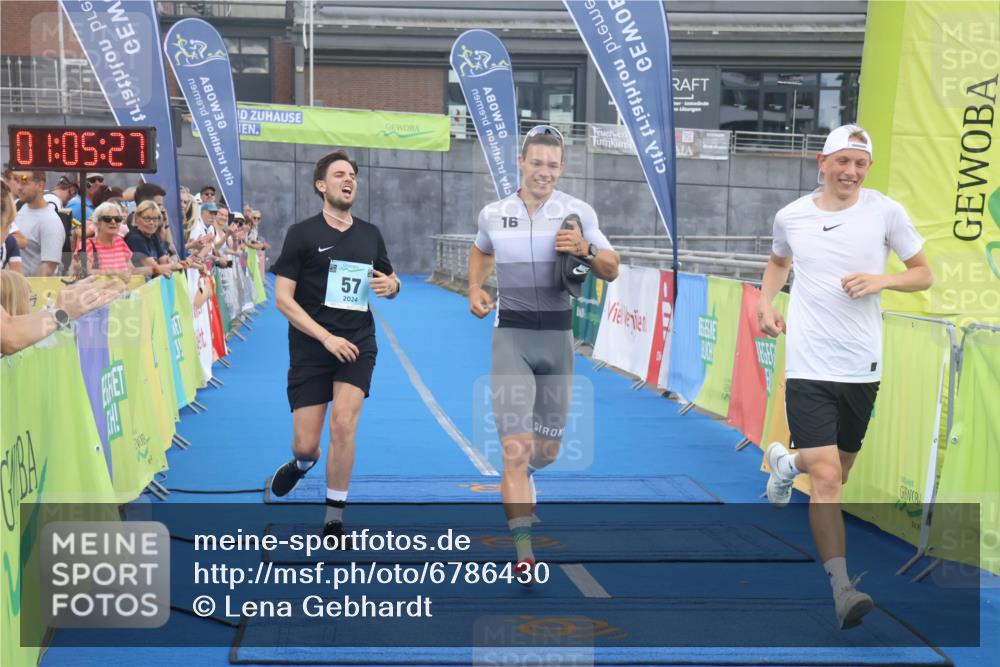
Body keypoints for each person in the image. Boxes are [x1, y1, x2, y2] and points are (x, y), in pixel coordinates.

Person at [757, 124, 933, 629]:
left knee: (839, 473)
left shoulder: (886, 212)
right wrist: (766, 302)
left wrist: (883, 279)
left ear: (868, 168)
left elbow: (923, 272)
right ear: (823, 161)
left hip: (862, 367)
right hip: (809, 363)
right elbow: (777, 260)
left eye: (860, 164)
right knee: (829, 479)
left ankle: (785, 463)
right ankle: (842, 588)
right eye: (843, 162)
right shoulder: (791, 215)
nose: (851, 172)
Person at [467, 125, 619, 579]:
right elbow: (480, 252)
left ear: (561, 168)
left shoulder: (577, 212)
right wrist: (475, 287)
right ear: (521, 162)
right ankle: (524, 554)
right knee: (514, 448)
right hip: (511, 336)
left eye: (552, 165)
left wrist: (586, 249)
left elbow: (612, 268)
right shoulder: (493, 213)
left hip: (557, 339)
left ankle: (528, 475)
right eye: (536, 163)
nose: (544, 172)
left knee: (546, 452)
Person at [269, 149, 401, 543]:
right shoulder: (302, 234)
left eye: (353, 175)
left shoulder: (369, 234)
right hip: (312, 348)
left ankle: (333, 517)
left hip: (358, 343)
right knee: (307, 444)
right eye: (340, 174)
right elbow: (283, 299)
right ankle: (303, 463)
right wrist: (325, 337)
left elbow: (390, 280)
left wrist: (391, 287)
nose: (349, 180)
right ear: (321, 185)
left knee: (343, 423)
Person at [11, 171, 65, 276]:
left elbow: (48, 268)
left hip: (29, 290)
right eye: (17, 182)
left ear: (40, 185)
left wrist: (28, 291)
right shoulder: (22, 209)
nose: (19, 187)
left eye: (24, 182)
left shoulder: (50, 222)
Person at [70, 202, 134, 280]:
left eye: (117, 219)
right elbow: (85, 271)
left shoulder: (120, 242)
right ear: (98, 223)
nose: (113, 222)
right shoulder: (87, 245)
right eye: (107, 219)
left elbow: (131, 269)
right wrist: (115, 272)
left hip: (122, 290)